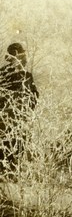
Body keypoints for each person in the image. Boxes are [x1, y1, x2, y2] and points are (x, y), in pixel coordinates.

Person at [0, 42, 39, 178]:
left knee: (20, 144)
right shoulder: (3, 74)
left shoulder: (27, 76)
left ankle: (13, 173)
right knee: (5, 146)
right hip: (5, 120)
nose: (25, 58)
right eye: (22, 55)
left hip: (21, 119)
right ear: (15, 55)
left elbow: (35, 95)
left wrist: (27, 111)